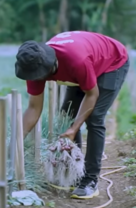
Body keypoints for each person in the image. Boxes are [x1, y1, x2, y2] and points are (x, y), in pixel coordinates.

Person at [14, 31, 129, 199]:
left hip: (112, 62)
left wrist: (75, 128)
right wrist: (16, 140)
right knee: (67, 115)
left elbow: (92, 95)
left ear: (49, 66)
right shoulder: (33, 65)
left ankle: (90, 180)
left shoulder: (76, 61)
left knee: (94, 117)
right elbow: (33, 108)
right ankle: (76, 172)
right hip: (84, 64)